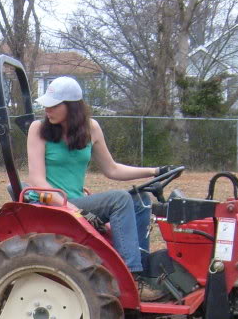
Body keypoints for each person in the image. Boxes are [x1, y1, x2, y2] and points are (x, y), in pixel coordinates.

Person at [27, 75, 172, 279]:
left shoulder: (91, 128)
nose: (47, 110)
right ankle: (130, 274)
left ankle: (143, 266)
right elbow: (37, 182)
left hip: (75, 201)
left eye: (53, 105)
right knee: (119, 199)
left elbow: (112, 169)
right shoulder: (38, 129)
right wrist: (74, 209)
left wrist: (155, 171)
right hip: (51, 203)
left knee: (140, 200)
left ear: (72, 106)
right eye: (46, 105)